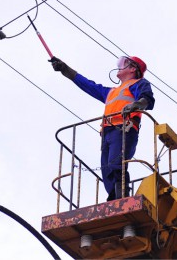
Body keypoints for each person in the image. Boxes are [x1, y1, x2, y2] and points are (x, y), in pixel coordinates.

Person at [50, 56, 155, 201]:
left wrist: (136, 105)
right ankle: (113, 198)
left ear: (132, 69)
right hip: (107, 133)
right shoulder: (111, 92)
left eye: (125, 64)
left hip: (124, 129)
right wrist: (65, 69)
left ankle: (121, 197)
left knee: (116, 163)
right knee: (106, 169)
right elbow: (89, 85)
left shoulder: (139, 83)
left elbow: (147, 99)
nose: (120, 66)